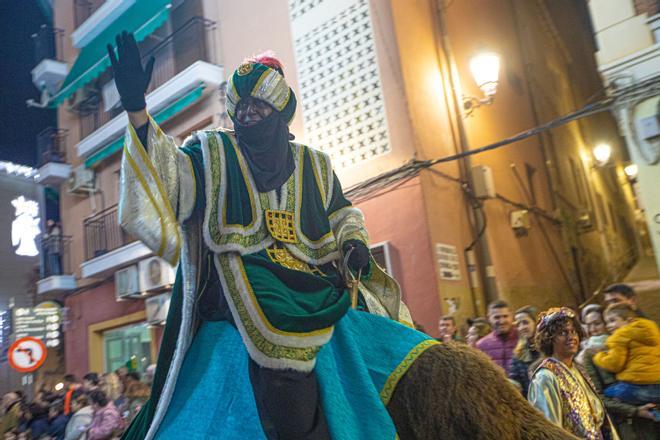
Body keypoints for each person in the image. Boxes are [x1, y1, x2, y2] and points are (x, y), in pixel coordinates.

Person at [110, 32, 578, 440]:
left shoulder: (315, 163)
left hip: (315, 278)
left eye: (260, 106)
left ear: (281, 113)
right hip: (242, 276)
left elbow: (341, 211)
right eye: (242, 106)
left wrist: (353, 241)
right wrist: (136, 109)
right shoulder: (211, 151)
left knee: (399, 339)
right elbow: (170, 177)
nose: (249, 115)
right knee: (273, 336)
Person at [528, 307, 619, 439]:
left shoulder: (579, 370)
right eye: (563, 333)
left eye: (573, 331)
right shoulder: (545, 377)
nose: (571, 337)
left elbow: (601, 420)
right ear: (549, 339)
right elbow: (549, 431)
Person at [579, 306, 658, 440]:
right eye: (588, 325)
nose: (592, 329)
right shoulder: (590, 353)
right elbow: (598, 396)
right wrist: (635, 411)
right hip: (627, 424)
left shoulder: (634, 341)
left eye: (597, 323)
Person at [593, 303, 660, 405]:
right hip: (657, 386)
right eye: (607, 322)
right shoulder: (652, 330)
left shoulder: (620, 335)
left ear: (628, 320)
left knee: (606, 394)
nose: (608, 326)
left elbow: (614, 365)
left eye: (612, 320)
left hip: (635, 388)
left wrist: (598, 356)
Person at [476, 300, 518, 375]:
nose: (502, 321)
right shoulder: (481, 345)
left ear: (511, 316)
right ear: (489, 318)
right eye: (497, 317)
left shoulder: (522, 339)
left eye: (505, 316)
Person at [509, 306, 540, 398]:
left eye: (525, 322)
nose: (521, 327)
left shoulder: (550, 347)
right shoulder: (518, 353)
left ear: (536, 323)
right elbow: (515, 381)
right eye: (518, 324)